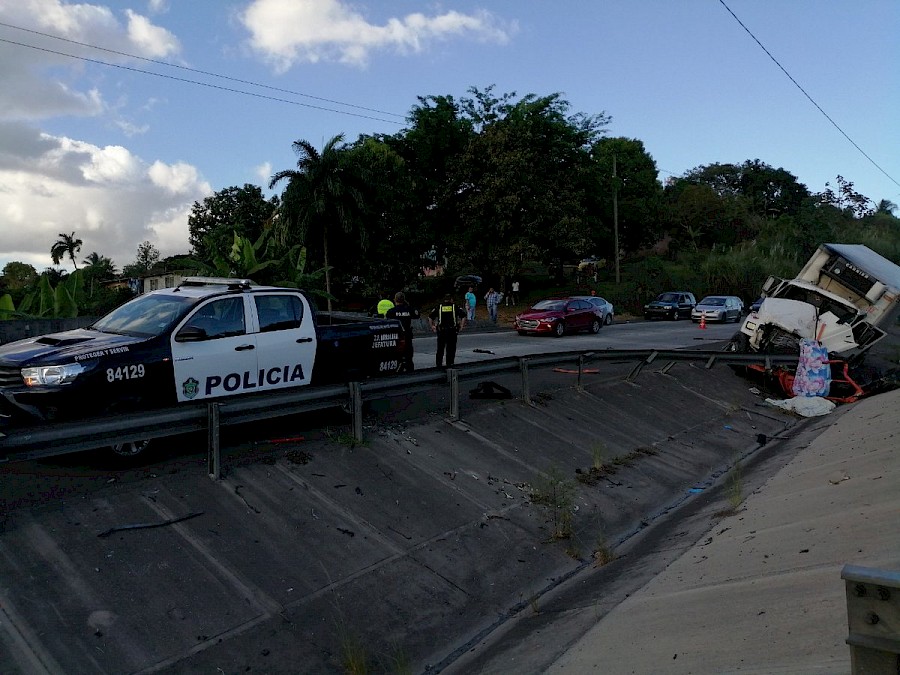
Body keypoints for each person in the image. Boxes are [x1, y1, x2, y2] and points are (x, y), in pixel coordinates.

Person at [429, 294, 467, 368]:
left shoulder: (439, 307)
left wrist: (432, 326)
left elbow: (430, 317)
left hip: (441, 331)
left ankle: (438, 364)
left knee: (440, 348)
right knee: (451, 349)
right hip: (452, 331)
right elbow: (463, 316)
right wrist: (461, 326)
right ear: (451, 299)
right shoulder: (454, 307)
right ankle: (450, 364)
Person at [385, 291, 419, 372]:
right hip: (407, 336)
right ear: (404, 299)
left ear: (394, 300)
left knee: (397, 357)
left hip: (396, 337)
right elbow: (417, 315)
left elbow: (387, 321)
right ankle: (410, 372)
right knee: (409, 357)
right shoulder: (409, 309)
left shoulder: (391, 311)